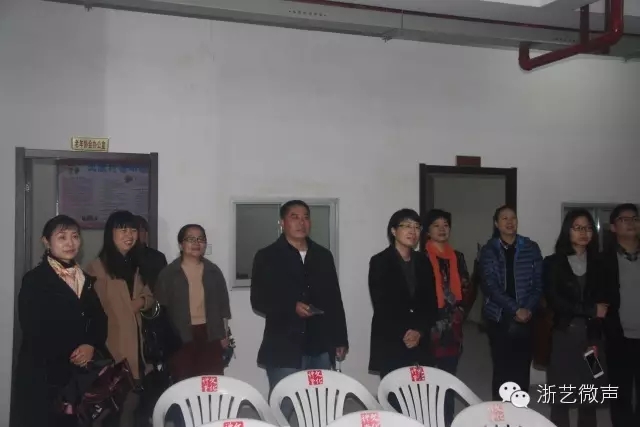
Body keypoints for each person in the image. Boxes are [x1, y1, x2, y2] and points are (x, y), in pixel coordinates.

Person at [14, 215, 107, 427]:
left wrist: (90, 344)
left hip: (79, 377)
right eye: (62, 237)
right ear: (46, 242)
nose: (70, 243)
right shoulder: (35, 279)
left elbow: (99, 319)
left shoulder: (84, 278)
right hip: (45, 375)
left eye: (75, 236)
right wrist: (73, 352)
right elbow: (32, 327)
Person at [251, 200, 349, 395]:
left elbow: (334, 300)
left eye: (305, 217)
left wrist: (340, 338)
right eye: (294, 217)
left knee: (318, 401)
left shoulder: (323, 255)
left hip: (320, 343)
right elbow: (259, 300)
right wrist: (291, 306)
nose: (301, 222)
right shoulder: (267, 256)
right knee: (285, 401)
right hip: (284, 345)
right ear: (282, 222)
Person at [86, 210, 155, 427]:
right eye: (122, 229)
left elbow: (149, 295)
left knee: (133, 407)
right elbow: (93, 311)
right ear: (110, 233)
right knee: (114, 411)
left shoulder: (137, 264)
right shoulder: (97, 268)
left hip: (138, 348)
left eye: (133, 230)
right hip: (113, 352)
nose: (129, 235)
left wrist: (141, 302)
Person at [545, 209, 607, 427]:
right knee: (561, 392)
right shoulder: (553, 263)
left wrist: (596, 319)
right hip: (564, 335)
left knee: (590, 391)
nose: (584, 233)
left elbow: (605, 299)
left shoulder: (599, 263)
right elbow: (555, 300)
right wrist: (591, 310)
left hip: (592, 338)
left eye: (588, 228)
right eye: (578, 227)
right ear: (567, 230)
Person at [480, 205, 543, 400]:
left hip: (527, 317)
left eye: (513, 218)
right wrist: (516, 309)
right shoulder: (489, 250)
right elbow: (490, 285)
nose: (509, 222)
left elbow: (539, 283)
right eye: (504, 218)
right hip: (500, 316)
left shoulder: (531, 247)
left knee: (522, 368)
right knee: (502, 369)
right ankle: (501, 412)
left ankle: (519, 409)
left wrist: (528, 309)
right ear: (496, 223)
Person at [155, 224, 231, 381]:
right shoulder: (169, 273)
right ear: (181, 245)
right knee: (184, 383)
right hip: (179, 336)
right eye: (190, 239)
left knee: (210, 382)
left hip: (210, 334)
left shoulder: (213, 271)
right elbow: (160, 309)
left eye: (201, 239)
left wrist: (224, 334)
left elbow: (223, 307)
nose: (196, 243)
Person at [368, 208, 438, 380]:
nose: (413, 231)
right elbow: (382, 304)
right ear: (393, 231)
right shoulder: (379, 261)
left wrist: (419, 331)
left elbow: (431, 302)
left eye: (417, 227)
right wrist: (406, 333)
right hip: (392, 338)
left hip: (420, 338)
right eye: (407, 226)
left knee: (421, 391)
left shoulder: (423, 261)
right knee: (394, 390)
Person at [423, 209, 472, 427]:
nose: (442, 229)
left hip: (453, 327)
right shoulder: (421, 257)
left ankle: (446, 420)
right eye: (436, 225)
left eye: (445, 225)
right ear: (427, 231)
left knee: (449, 377)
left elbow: (466, 287)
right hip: (429, 327)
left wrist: (459, 312)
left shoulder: (457, 257)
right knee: (428, 378)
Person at [601, 203, 640, 426]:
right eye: (625, 219)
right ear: (613, 227)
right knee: (620, 393)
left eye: (635, 218)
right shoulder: (602, 259)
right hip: (618, 336)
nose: (631, 223)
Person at [134, 215, 168, 292]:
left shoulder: (158, 257)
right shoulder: (123, 256)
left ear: (146, 234)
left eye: (141, 230)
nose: (138, 234)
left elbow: (164, 285)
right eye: (135, 230)